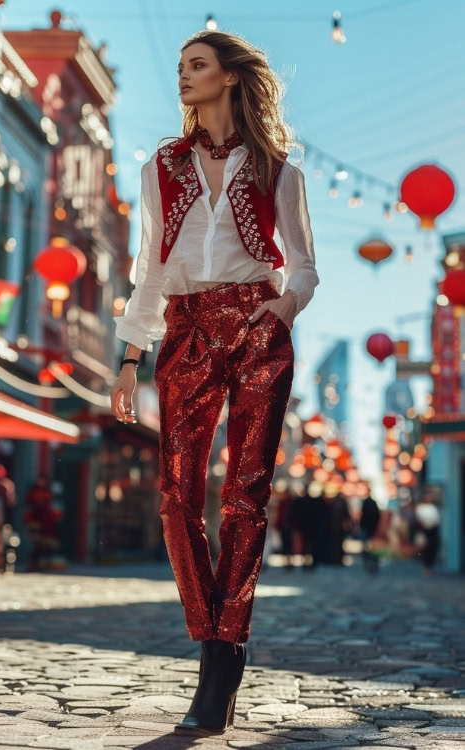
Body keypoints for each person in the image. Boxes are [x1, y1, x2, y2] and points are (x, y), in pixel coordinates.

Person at [110, 29, 319, 736]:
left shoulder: (278, 170)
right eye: (179, 67)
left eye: (196, 66)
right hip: (187, 329)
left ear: (230, 78)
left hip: (258, 326)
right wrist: (130, 357)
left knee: (245, 496)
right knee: (176, 495)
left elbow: (305, 269)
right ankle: (215, 635)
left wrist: (281, 308)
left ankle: (218, 664)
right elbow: (149, 270)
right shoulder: (159, 168)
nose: (183, 77)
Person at [414, 488, 441, 575]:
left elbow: (436, 520)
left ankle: (430, 566)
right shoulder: (420, 507)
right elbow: (418, 520)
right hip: (425, 530)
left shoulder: (433, 507)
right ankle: (426, 566)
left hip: (432, 530)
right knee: (425, 548)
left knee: (433, 548)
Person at [359, 492, 380, 574]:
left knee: (366, 546)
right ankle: (373, 560)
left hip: (367, 527)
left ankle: (368, 559)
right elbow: (378, 516)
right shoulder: (373, 503)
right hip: (372, 528)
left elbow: (363, 516)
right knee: (372, 547)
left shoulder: (365, 503)